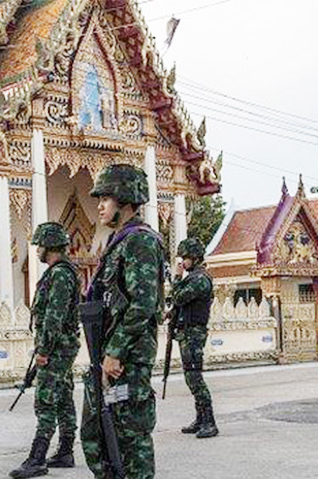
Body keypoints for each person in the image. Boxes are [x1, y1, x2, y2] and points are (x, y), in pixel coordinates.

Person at [81, 164, 164, 479]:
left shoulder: (140, 241)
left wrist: (115, 352)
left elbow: (143, 303)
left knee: (130, 440)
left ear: (126, 201)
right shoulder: (118, 242)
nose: (100, 205)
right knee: (97, 435)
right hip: (106, 359)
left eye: (106, 198)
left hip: (126, 360)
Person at [10, 222, 82, 479]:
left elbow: (54, 316)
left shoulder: (60, 274)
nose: (37, 250)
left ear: (49, 246)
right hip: (61, 346)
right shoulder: (60, 272)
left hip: (56, 348)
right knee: (63, 397)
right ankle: (65, 451)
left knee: (46, 400)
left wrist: (43, 350)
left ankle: (37, 458)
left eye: (40, 245)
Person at [171, 238, 218, 438]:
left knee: (194, 377)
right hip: (187, 332)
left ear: (195, 258)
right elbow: (180, 303)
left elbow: (178, 296)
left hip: (194, 334)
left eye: (185, 258)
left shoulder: (199, 279)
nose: (183, 262)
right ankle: (200, 418)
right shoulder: (194, 278)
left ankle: (209, 421)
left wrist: (176, 277)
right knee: (190, 376)